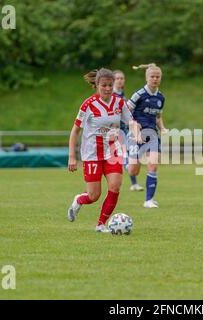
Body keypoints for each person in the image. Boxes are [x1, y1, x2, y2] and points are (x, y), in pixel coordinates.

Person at [67, 68, 140, 233]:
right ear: (96, 85)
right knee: (93, 196)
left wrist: (137, 133)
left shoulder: (119, 103)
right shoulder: (88, 105)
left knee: (115, 187)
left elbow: (131, 122)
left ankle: (100, 224)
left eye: (110, 85)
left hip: (113, 151)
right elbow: (75, 131)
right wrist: (72, 157)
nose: (108, 88)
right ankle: (79, 200)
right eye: (104, 85)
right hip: (91, 154)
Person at [127, 63, 168, 208]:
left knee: (153, 165)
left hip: (152, 135)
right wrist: (134, 127)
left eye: (158, 77)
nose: (155, 79)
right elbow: (126, 112)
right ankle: (126, 160)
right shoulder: (139, 94)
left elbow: (158, 116)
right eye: (152, 76)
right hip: (136, 135)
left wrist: (162, 128)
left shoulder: (161, 98)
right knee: (133, 170)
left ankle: (148, 200)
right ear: (147, 78)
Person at [113, 69, 144, 192]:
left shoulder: (122, 94)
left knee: (130, 153)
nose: (120, 80)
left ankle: (133, 183)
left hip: (125, 128)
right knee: (126, 155)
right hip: (116, 130)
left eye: (122, 78)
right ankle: (132, 181)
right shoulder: (112, 95)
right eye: (117, 78)